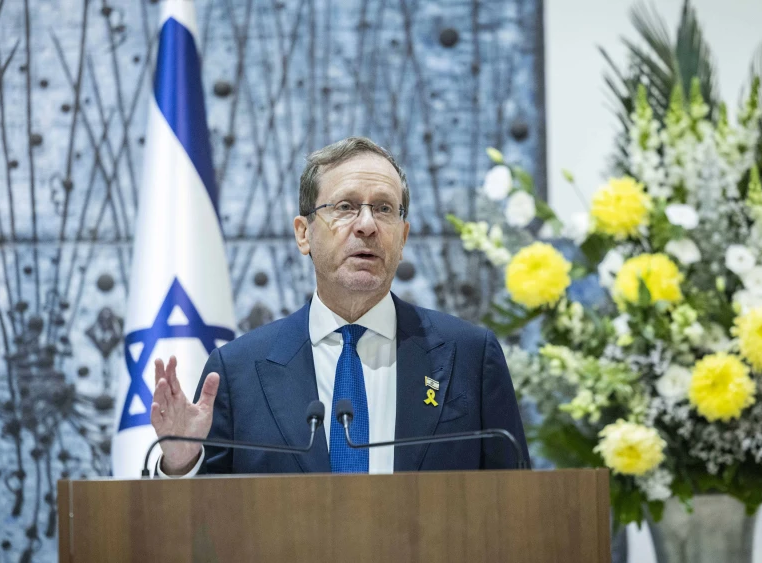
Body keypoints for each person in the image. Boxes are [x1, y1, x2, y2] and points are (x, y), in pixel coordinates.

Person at [151, 136, 529, 475]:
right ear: (304, 233)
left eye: (384, 209)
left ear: (403, 237)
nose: (367, 225)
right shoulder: (238, 372)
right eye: (346, 206)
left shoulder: (470, 357)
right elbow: (204, 519)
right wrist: (182, 464)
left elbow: (514, 505)